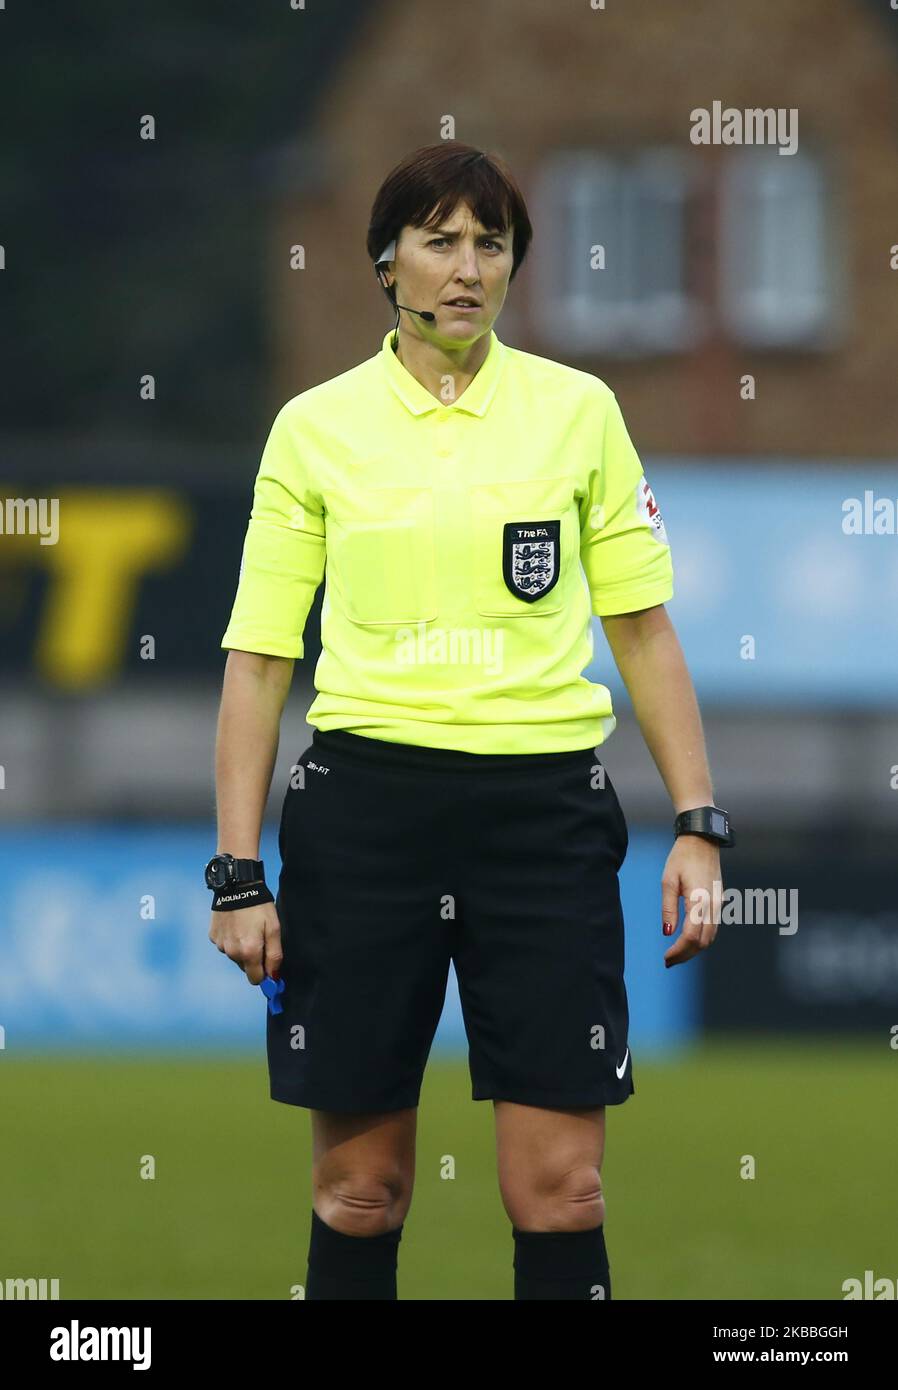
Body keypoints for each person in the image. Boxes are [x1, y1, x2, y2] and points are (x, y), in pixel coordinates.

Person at [208, 141, 733, 1301]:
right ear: (384, 264)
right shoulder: (314, 428)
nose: (466, 268)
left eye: (489, 243)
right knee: (361, 1191)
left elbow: (643, 631)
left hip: (543, 818)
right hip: (365, 821)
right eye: (439, 240)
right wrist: (237, 871)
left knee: (563, 1191)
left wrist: (699, 819)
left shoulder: (579, 412)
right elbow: (258, 660)